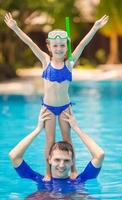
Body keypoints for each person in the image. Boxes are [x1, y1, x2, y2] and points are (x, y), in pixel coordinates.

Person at [5, 13, 108, 180]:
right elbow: (30, 43)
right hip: (48, 108)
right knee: (50, 141)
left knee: (68, 139)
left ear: (66, 47)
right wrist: (15, 28)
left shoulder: (70, 63)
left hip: (65, 107)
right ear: (49, 47)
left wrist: (95, 27)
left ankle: (73, 170)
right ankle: (48, 172)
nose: (59, 49)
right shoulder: (45, 61)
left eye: (62, 46)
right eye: (55, 46)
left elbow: (82, 44)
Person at [9, 109, 104, 194]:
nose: (61, 165)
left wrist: (76, 128)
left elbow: (99, 155)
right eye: (57, 160)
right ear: (49, 159)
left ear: (72, 162)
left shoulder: (79, 180)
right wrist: (37, 129)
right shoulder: (40, 180)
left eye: (66, 160)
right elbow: (14, 156)